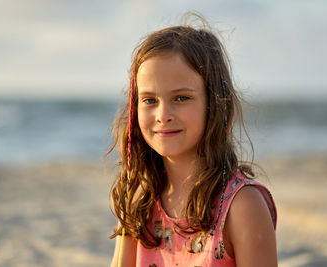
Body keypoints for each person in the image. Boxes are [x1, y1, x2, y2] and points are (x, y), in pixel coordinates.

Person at [108, 14, 277, 267]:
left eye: (181, 98)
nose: (163, 116)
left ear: (215, 103)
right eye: (150, 100)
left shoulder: (242, 206)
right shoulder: (139, 202)